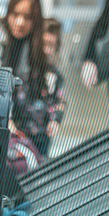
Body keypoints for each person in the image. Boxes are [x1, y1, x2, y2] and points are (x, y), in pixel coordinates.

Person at [0, 0, 48, 138]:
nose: (20, 22)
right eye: (15, 14)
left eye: (28, 17)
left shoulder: (32, 45)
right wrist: (6, 119)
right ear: (8, 12)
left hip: (20, 127)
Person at [34, 17, 66, 158]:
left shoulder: (56, 75)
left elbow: (61, 101)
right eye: (44, 44)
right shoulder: (25, 69)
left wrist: (55, 120)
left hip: (43, 137)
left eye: (51, 45)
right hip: (20, 133)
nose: (47, 50)